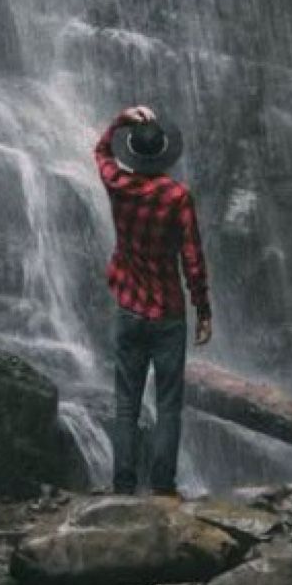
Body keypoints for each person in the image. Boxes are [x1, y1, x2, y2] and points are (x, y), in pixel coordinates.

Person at [93, 104, 211, 497]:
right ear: (163, 154)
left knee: (126, 404)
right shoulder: (177, 197)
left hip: (129, 308)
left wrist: (122, 119)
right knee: (168, 406)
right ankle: (163, 487)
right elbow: (192, 258)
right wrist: (203, 309)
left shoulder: (117, 186)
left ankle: (123, 485)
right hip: (168, 315)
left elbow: (101, 152)